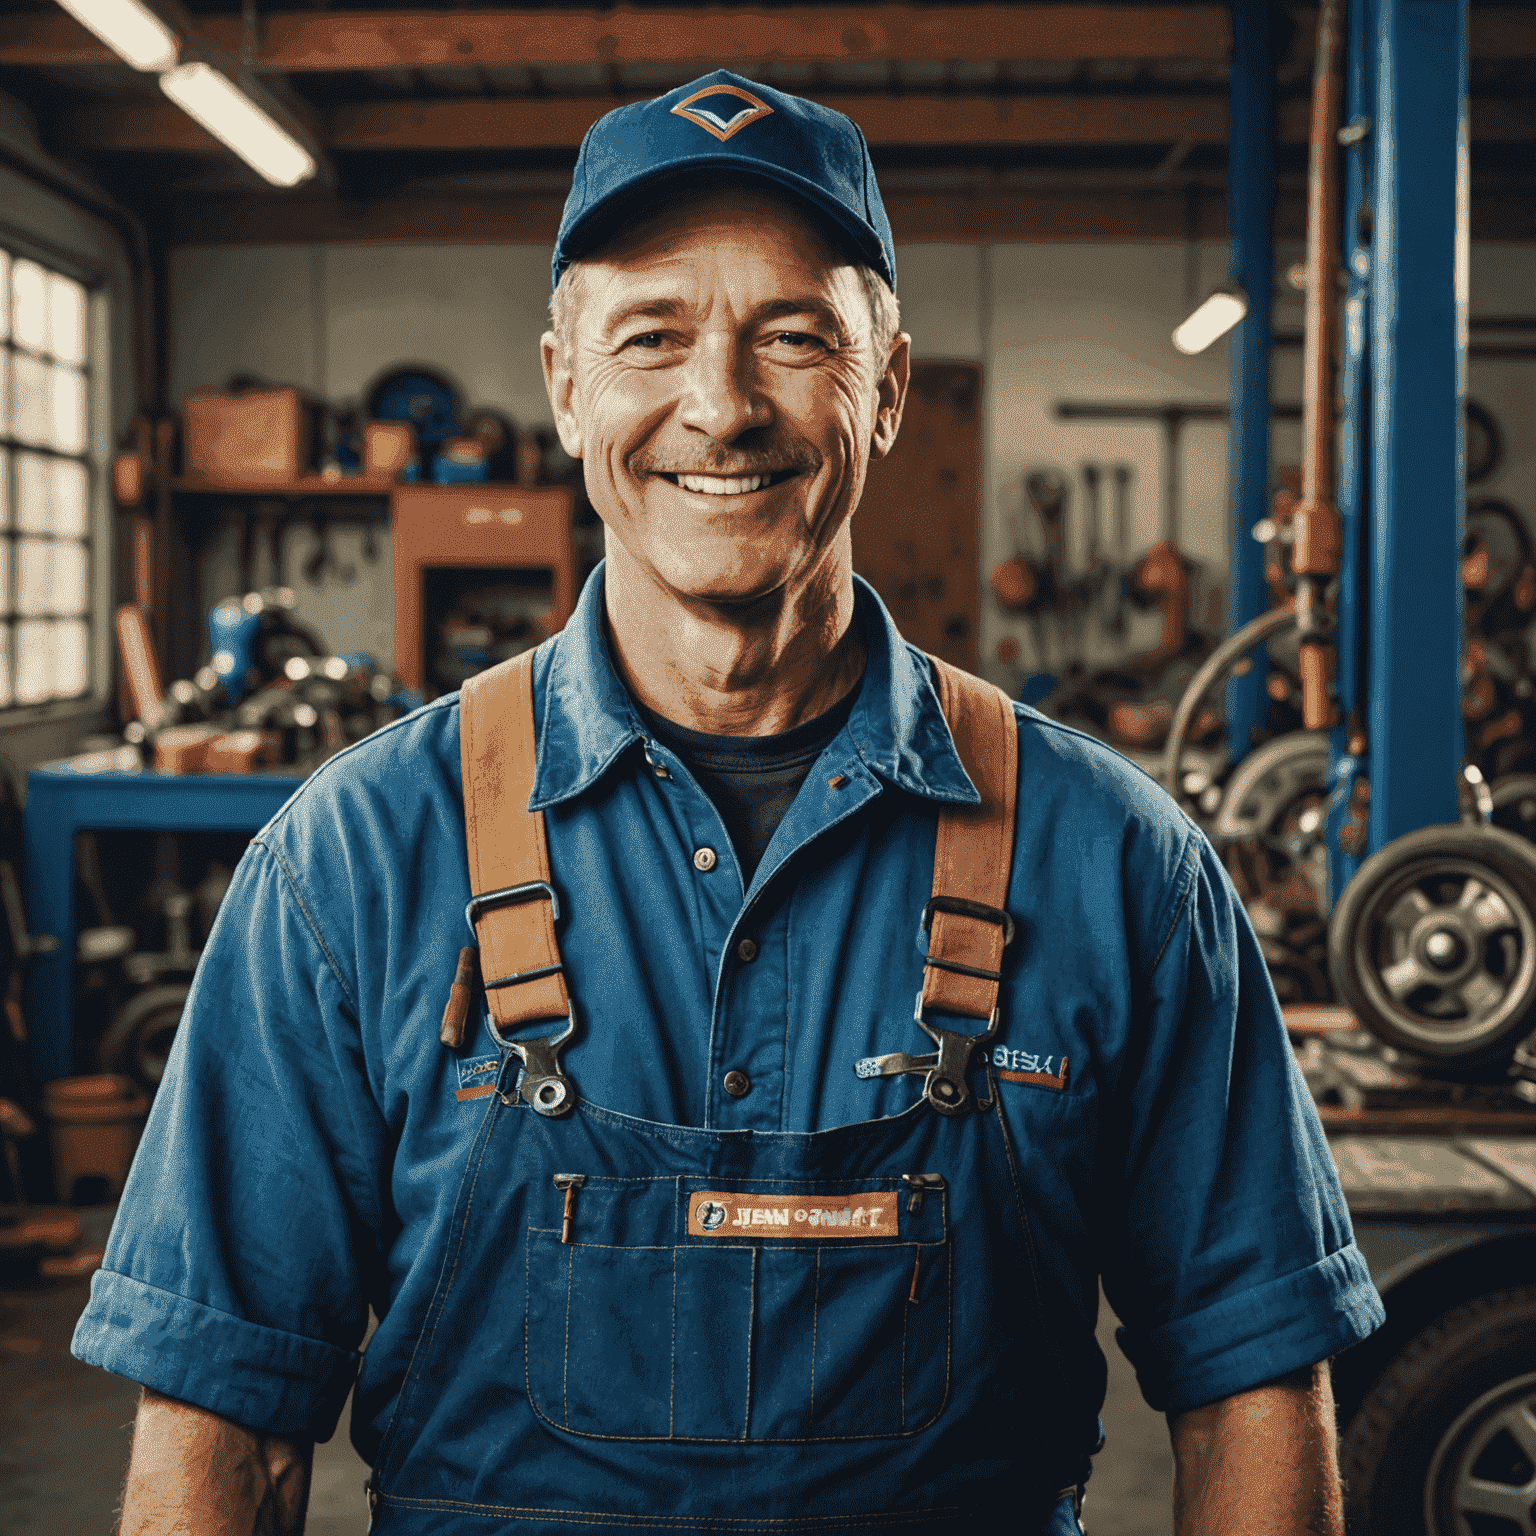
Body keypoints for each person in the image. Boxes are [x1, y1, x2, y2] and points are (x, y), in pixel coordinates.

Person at [73, 71, 1383, 1536]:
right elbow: (219, 1425)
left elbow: (1255, 1386)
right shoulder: (356, 862)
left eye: (795, 337)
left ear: (886, 389)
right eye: (652, 337)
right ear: (567, 385)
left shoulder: (1120, 867)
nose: (722, 405)